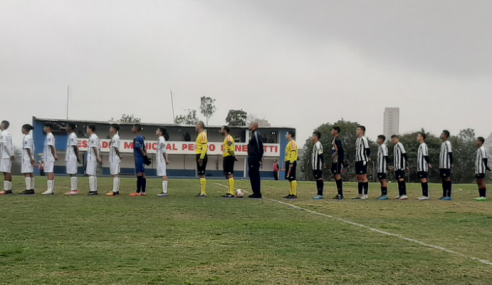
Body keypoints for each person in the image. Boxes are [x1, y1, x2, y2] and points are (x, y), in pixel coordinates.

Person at [130, 124, 149, 196]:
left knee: (140, 173)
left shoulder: (138, 138)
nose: (132, 129)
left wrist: (144, 156)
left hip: (139, 157)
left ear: (136, 129)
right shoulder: (141, 137)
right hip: (141, 157)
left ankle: (138, 191)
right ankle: (143, 191)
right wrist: (146, 156)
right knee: (143, 173)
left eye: (133, 128)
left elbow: (140, 148)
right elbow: (144, 147)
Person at [247, 122, 264, 199]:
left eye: (250, 125)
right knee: (252, 175)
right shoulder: (253, 134)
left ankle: (257, 193)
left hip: (255, 157)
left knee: (255, 175)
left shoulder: (257, 134)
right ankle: (255, 192)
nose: (249, 126)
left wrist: (260, 156)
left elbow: (259, 145)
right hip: (251, 157)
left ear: (254, 126)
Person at [354, 126, 371, 200]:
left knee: (364, 176)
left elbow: (367, 149)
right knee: (359, 177)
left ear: (362, 131)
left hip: (363, 160)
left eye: (358, 129)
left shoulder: (364, 139)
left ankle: (366, 194)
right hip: (357, 160)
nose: (356, 131)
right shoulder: (357, 140)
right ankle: (360, 194)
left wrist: (367, 158)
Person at [220, 126, 237, 198]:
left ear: (225, 130)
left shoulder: (229, 138)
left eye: (221, 129)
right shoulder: (226, 138)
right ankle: (229, 191)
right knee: (227, 174)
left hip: (229, 157)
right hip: (226, 157)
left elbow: (231, 148)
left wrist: (233, 155)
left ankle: (231, 193)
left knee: (230, 174)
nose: (221, 131)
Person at [65, 123, 81, 196]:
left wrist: (77, 157)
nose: (66, 128)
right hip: (70, 156)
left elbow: (75, 147)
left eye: (67, 126)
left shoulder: (72, 136)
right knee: (71, 172)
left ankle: (74, 190)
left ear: (70, 127)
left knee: (73, 172)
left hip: (72, 156)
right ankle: (73, 189)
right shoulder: (70, 136)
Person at [42, 123, 58, 195]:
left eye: (45, 127)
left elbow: (51, 146)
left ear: (48, 128)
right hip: (48, 156)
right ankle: (51, 189)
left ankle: (50, 189)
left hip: (49, 156)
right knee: (50, 171)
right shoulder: (49, 136)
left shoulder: (49, 136)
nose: (44, 128)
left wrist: (54, 154)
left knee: (49, 172)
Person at [391, 135, 409, 200]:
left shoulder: (399, 145)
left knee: (401, 179)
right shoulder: (395, 146)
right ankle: (400, 194)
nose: (393, 141)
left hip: (400, 166)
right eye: (392, 140)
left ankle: (404, 194)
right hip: (396, 166)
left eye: (394, 140)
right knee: (398, 180)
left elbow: (404, 154)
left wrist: (406, 164)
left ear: (397, 139)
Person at [86, 124, 101, 196]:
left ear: (90, 129)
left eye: (87, 128)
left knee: (90, 173)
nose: (87, 130)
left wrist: (97, 156)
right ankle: (94, 190)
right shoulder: (96, 137)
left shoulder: (92, 137)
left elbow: (94, 147)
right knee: (93, 174)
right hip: (93, 157)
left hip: (92, 157)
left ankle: (92, 190)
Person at [107, 124, 122, 196]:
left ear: (114, 129)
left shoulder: (115, 137)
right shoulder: (115, 137)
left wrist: (119, 156)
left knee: (115, 174)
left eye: (111, 128)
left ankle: (115, 191)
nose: (110, 129)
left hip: (114, 158)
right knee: (116, 174)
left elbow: (116, 148)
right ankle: (116, 190)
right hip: (114, 158)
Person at [194, 121, 208, 198]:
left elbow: (204, 147)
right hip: (199, 155)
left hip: (201, 156)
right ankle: (202, 192)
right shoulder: (200, 135)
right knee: (201, 174)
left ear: (200, 126)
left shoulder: (203, 134)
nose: (195, 126)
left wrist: (201, 158)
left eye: (196, 125)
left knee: (202, 173)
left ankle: (203, 193)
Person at [0, 120, 15, 195]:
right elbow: (11, 145)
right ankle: (9, 189)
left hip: (5, 155)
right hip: (9, 155)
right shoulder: (9, 134)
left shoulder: (3, 133)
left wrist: (10, 154)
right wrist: (12, 154)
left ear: (3, 125)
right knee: (8, 172)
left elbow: (5, 145)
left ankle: (6, 190)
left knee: (5, 172)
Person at [20, 124, 35, 195]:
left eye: (22, 129)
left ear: (25, 129)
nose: (21, 130)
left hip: (26, 157)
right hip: (31, 156)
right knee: (30, 172)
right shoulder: (31, 138)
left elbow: (27, 148)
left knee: (26, 172)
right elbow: (33, 148)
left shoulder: (26, 138)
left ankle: (28, 189)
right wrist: (33, 157)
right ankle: (32, 188)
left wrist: (30, 157)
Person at [283, 130, 298, 200]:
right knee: (289, 178)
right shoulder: (289, 143)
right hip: (288, 161)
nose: (285, 135)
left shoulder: (292, 143)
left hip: (291, 161)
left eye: (286, 133)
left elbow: (293, 152)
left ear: (290, 135)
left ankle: (294, 194)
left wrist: (291, 162)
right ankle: (291, 193)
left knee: (292, 178)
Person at [474, 137, 490, 201]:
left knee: (482, 181)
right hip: (478, 169)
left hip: (481, 168)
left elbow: (485, 158)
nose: (476, 142)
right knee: (478, 181)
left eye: (477, 141)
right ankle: (481, 195)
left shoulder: (482, 149)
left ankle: (483, 196)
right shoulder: (479, 149)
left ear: (480, 142)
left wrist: (486, 166)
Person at [156, 127, 171, 197]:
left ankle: (165, 192)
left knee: (164, 174)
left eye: (158, 130)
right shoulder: (160, 140)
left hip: (161, 159)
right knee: (163, 174)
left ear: (161, 132)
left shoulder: (161, 140)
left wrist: (166, 159)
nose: (156, 131)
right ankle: (164, 191)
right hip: (160, 159)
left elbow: (163, 151)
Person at [331, 126, 345, 200]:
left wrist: (341, 160)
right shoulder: (334, 139)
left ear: (336, 131)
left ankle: (340, 194)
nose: (331, 131)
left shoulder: (337, 140)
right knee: (336, 175)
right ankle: (339, 193)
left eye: (332, 130)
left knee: (338, 175)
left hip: (337, 160)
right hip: (335, 160)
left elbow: (340, 150)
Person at [416, 132, 431, 200]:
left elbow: (425, 155)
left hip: (423, 166)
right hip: (420, 166)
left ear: (422, 137)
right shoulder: (420, 145)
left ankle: (426, 195)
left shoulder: (424, 145)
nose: (417, 137)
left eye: (418, 136)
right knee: (422, 179)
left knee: (424, 179)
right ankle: (424, 194)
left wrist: (428, 163)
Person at [439, 130, 453, 200]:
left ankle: (448, 195)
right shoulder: (442, 143)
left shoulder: (448, 143)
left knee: (447, 178)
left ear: (446, 135)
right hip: (441, 165)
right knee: (443, 179)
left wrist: (451, 163)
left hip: (446, 165)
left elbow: (450, 153)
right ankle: (444, 194)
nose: (441, 135)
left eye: (442, 134)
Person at [375, 135, 390, 200]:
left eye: (378, 139)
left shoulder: (383, 146)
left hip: (382, 167)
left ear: (381, 139)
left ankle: (385, 194)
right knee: (381, 180)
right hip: (379, 167)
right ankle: (382, 194)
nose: (377, 140)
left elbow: (386, 156)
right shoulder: (380, 147)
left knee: (383, 180)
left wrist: (387, 165)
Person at [311, 131, 325, 200]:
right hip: (314, 165)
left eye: (313, 135)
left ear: (316, 137)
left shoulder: (318, 144)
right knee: (317, 179)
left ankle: (320, 194)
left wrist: (323, 163)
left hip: (317, 165)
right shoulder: (315, 144)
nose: (312, 137)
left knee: (319, 179)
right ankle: (319, 193)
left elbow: (320, 154)